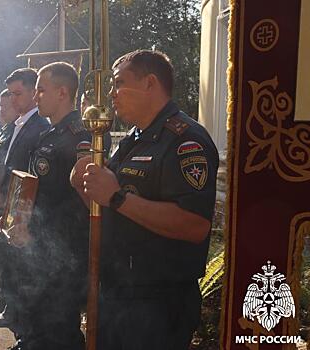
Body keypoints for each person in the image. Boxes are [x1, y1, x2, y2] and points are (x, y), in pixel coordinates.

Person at [70, 49, 218, 350]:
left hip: (157, 301)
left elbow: (194, 225)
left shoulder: (185, 140)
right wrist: (85, 186)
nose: (112, 94)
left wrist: (117, 197)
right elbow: (110, 208)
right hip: (118, 290)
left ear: (150, 83)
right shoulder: (132, 140)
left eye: (119, 83)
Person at [5, 62, 90, 349]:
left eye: (41, 90)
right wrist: (21, 222)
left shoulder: (80, 138)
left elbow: (80, 206)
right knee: (36, 322)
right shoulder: (50, 134)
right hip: (40, 250)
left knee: (57, 330)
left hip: (63, 256)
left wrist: (37, 233)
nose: (36, 96)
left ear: (62, 92)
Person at [0, 69, 51, 334]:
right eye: (10, 94)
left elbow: (29, 173)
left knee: (23, 272)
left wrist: (9, 197)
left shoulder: (40, 127)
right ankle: (18, 319)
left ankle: (22, 325)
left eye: (17, 94)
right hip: (9, 204)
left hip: (26, 212)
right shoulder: (21, 124)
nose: (12, 100)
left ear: (34, 92)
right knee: (10, 265)